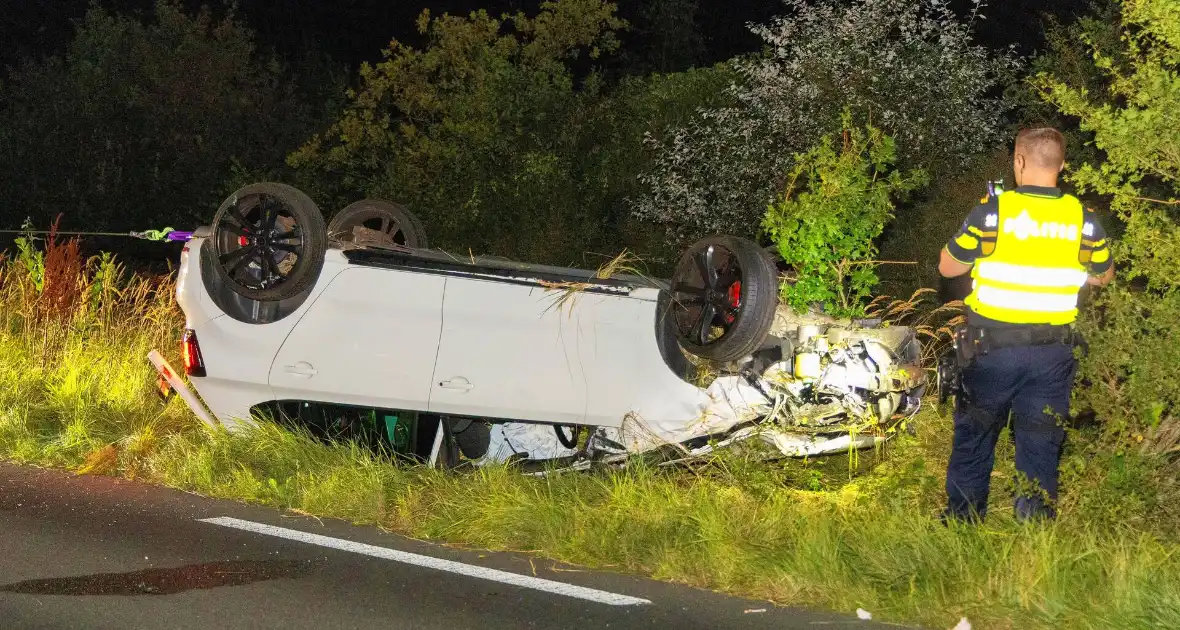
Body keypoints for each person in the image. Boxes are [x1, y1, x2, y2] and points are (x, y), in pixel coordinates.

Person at [937, 127, 1114, 522]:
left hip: (991, 350)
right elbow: (1104, 275)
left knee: (976, 436)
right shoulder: (1083, 221)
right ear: (1062, 165)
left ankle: (963, 524)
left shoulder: (993, 211)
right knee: (1040, 441)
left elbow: (948, 266)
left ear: (1018, 161)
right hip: (1052, 354)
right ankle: (1034, 529)